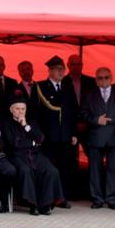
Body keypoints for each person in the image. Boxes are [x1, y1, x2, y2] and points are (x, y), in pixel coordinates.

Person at [30, 56, 80, 203]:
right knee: (48, 168)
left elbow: (73, 112)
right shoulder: (39, 87)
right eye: (58, 69)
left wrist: (74, 133)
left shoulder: (67, 86)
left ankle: (61, 197)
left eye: (62, 69)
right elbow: (34, 114)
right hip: (48, 137)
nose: (61, 72)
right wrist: (38, 135)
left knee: (64, 168)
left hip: (64, 136)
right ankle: (48, 197)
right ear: (50, 70)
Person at [0, 99, 61, 215]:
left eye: (23, 109)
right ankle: (33, 205)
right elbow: (13, 144)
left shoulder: (31, 122)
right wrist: (32, 143)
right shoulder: (7, 123)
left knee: (51, 171)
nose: (20, 112)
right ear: (11, 110)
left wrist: (26, 125)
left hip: (35, 155)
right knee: (26, 171)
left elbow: (41, 138)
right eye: (17, 109)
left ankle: (45, 204)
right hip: (16, 156)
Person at [79, 65, 115, 209]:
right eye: (100, 78)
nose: (103, 80)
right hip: (95, 136)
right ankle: (97, 199)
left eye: (106, 77)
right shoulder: (89, 94)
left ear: (112, 78)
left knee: (113, 169)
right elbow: (82, 114)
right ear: (96, 80)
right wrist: (96, 120)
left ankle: (112, 199)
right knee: (95, 169)